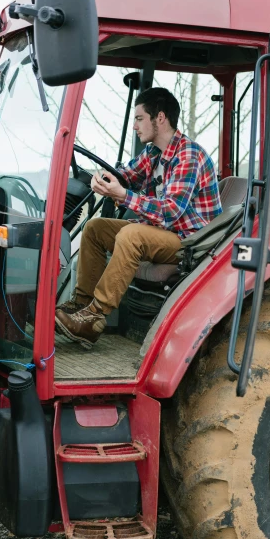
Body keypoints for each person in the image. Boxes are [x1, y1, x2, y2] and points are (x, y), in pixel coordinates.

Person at [55, 87, 222, 348]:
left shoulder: (188, 155)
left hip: (189, 242)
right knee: (95, 228)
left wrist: (122, 195)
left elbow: (169, 212)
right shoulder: (154, 152)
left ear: (161, 118)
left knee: (131, 234)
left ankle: (95, 317)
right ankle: (82, 305)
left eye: (140, 118)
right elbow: (126, 175)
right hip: (163, 233)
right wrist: (105, 180)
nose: (134, 126)